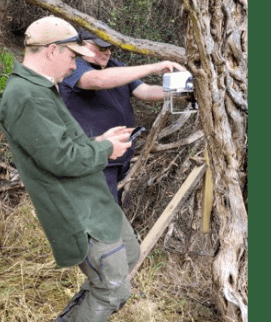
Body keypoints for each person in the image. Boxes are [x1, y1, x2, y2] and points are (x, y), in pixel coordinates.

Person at [0, 16, 141, 322]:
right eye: (72, 55)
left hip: (94, 201)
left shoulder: (40, 88)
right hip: (77, 211)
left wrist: (101, 140)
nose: (75, 63)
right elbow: (61, 159)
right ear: (51, 50)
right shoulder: (25, 97)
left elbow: (61, 144)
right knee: (113, 289)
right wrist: (106, 149)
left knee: (129, 256)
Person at [59, 30, 187, 204]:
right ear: (85, 45)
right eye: (102, 47)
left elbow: (146, 91)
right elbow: (98, 80)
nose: (108, 52)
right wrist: (153, 67)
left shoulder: (115, 66)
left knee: (118, 214)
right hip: (94, 159)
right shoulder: (74, 67)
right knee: (102, 219)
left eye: (110, 47)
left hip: (121, 159)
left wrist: (184, 93)